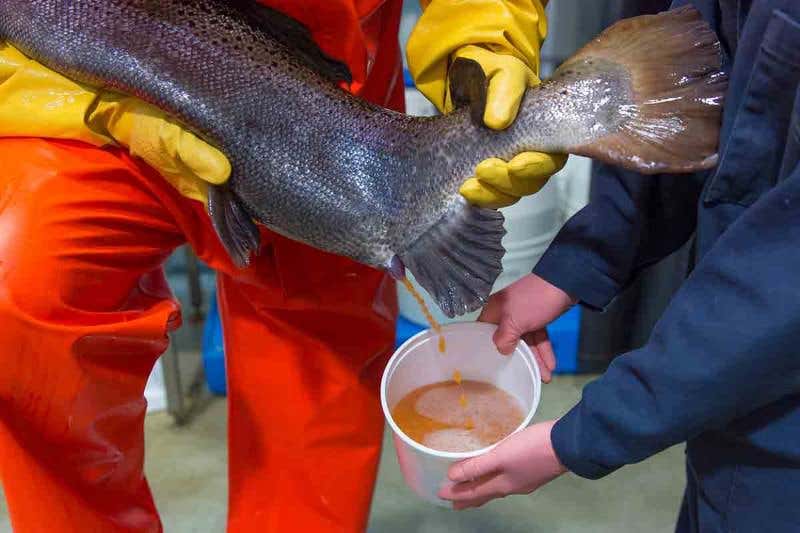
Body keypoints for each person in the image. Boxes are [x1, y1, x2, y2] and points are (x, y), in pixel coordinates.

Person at [0, 1, 564, 531]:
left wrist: (486, 34)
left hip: (324, 124)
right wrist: (98, 109)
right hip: (75, 102)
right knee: (24, 303)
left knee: (315, 387)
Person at [440, 1, 800, 531]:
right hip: (730, 418)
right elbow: (699, 83)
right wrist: (573, 266)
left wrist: (581, 436)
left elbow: (779, 288)